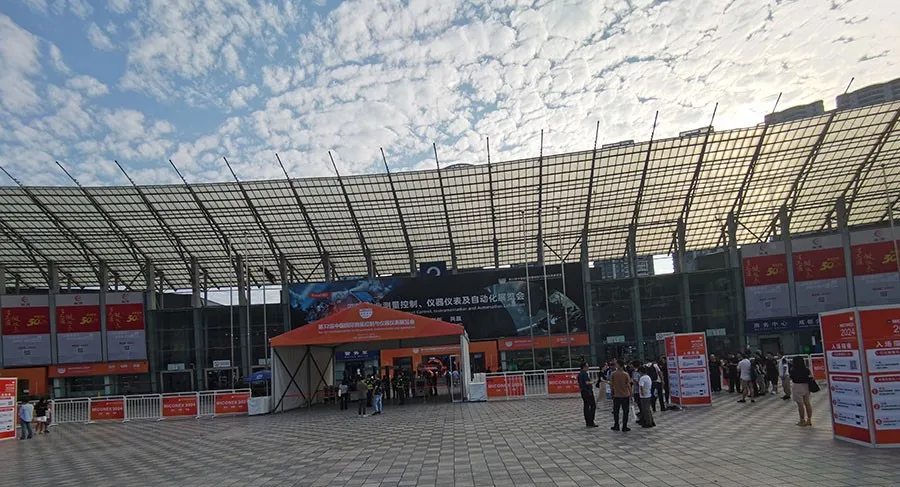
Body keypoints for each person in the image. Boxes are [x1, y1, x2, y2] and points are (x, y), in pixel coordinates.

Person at [610, 360, 632, 432]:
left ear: (619, 365)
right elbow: (628, 384)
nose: (615, 365)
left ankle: (616, 425)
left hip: (616, 395)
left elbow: (611, 385)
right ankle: (624, 426)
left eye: (616, 364)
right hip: (625, 395)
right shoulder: (626, 374)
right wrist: (631, 393)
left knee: (616, 411)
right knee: (625, 411)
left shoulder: (613, 374)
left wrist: (612, 392)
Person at [791, 356, 813, 426]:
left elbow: (792, 377)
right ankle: (809, 420)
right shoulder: (806, 370)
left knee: (800, 405)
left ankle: (802, 420)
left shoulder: (793, 370)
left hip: (797, 387)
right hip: (806, 386)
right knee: (807, 403)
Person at [577, 362, 598, 428]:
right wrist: (593, 382)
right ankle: (591, 421)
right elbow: (586, 382)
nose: (588, 368)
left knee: (586, 406)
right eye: (587, 366)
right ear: (584, 367)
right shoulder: (584, 374)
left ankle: (588, 421)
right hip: (587, 391)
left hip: (583, 391)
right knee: (592, 405)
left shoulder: (580, 374)